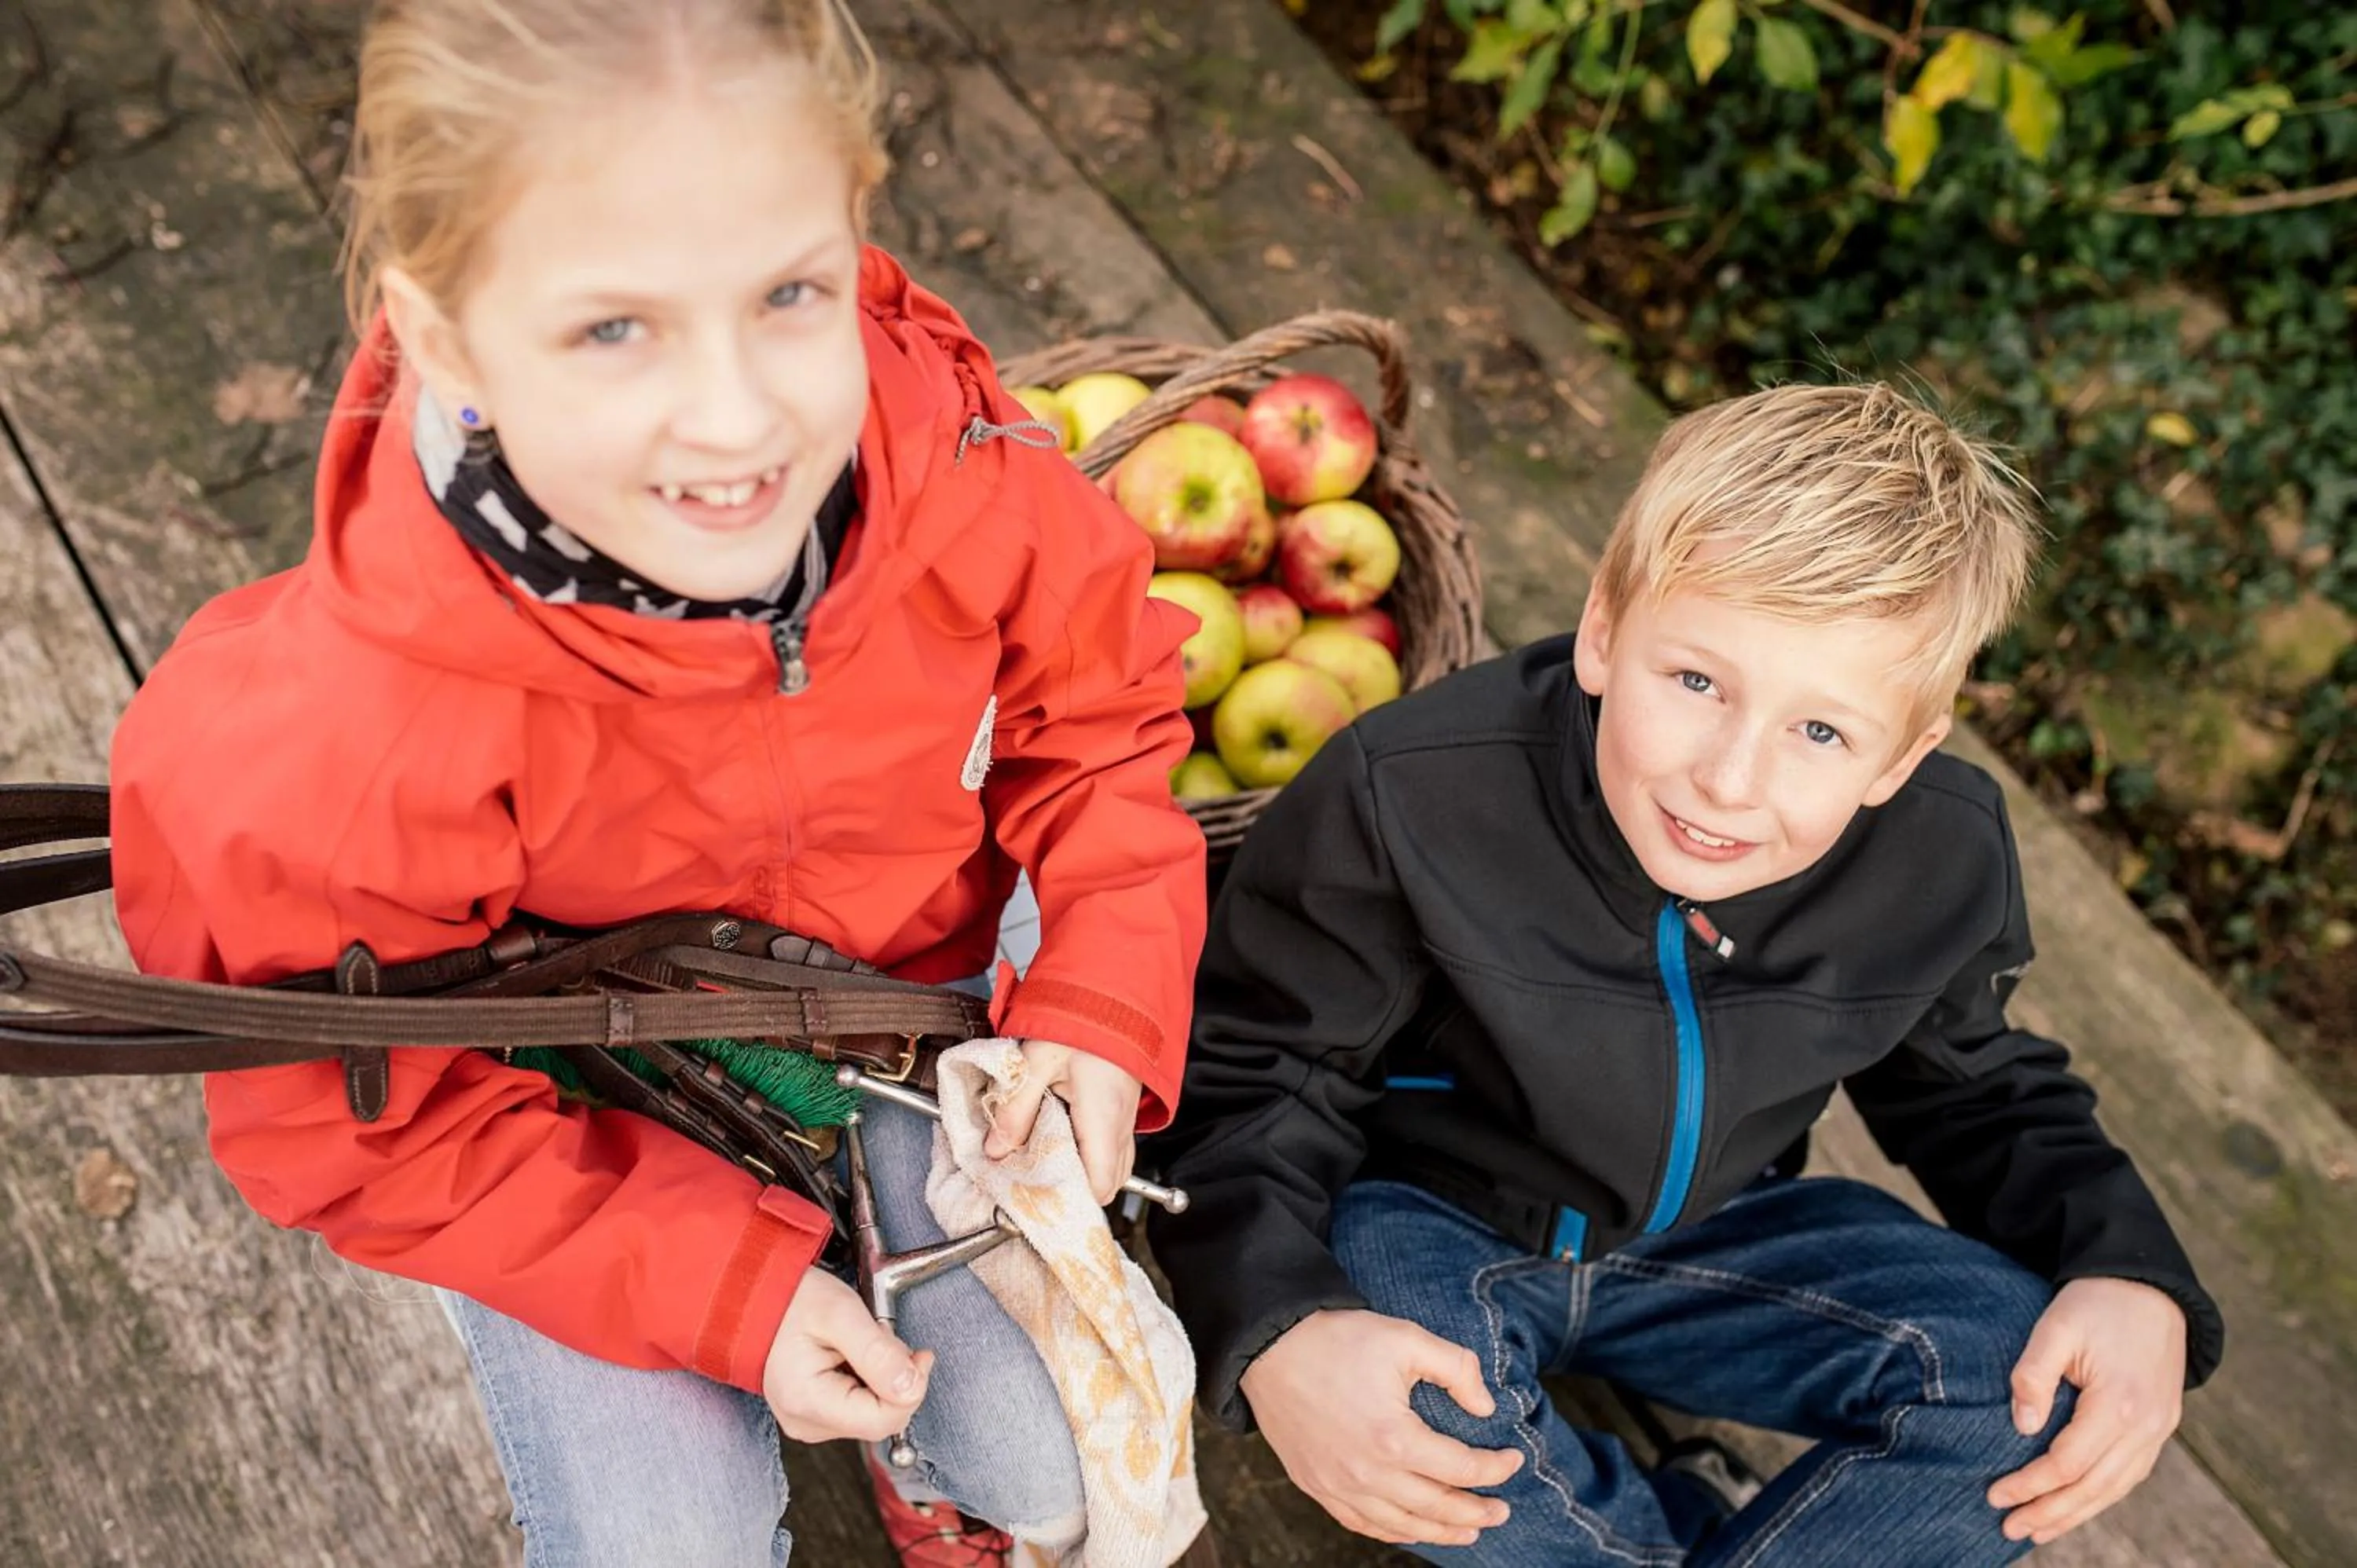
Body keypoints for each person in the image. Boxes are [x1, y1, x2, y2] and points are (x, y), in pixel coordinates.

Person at [106, 2, 1207, 1563]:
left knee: (1071, 1470)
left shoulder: (954, 462)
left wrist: (1097, 994)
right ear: (445, 342)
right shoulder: (348, 741)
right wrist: (731, 1294)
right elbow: (359, 1120)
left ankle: (936, 1460)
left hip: (900, 1016)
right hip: (567, 1117)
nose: (741, 417)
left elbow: (1098, 716)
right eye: (614, 327)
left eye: (788, 294)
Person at [1147, 382, 2224, 1566]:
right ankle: (1670, 1526)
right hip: (1433, 1224)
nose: (1729, 779)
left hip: (1721, 1230)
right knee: (1417, 1419)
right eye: (1698, 683)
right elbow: (1254, 1077)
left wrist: (2127, 1271)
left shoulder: (1942, 855)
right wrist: (1284, 1326)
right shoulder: (1406, 795)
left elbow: (1980, 1089)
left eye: (1821, 734)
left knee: (2048, 1399)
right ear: (1605, 629)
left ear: (1903, 756)